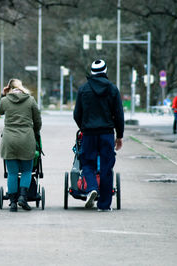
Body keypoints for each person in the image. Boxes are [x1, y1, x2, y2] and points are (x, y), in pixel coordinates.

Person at [73, 59, 124, 212]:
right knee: (107, 168)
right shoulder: (113, 89)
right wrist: (119, 135)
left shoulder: (83, 89)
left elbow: (77, 114)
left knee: (87, 163)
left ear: (92, 71)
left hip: (88, 134)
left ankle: (92, 188)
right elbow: (119, 114)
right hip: (107, 134)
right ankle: (104, 205)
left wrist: (84, 127)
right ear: (105, 71)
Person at [0, 79, 42, 212]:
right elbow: (37, 120)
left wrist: (3, 95)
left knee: (12, 173)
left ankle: (13, 202)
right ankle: (22, 197)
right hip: (26, 139)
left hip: (9, 139)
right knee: (27, 171)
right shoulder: (30, 100)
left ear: (9, 88)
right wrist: (35, 132)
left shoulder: (5, 100)